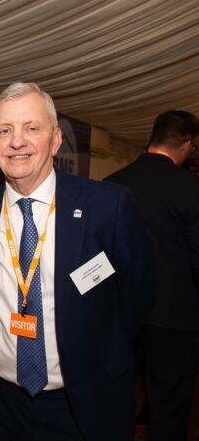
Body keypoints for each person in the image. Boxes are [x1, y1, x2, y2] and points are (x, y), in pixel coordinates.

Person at [0, 82, 155, 441]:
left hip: (86, 405)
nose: (17, 141)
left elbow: (137, 301)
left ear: (56, 139)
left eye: (32, 128)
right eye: (5, 131)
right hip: (5, 406)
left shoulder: (108, 207)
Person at [105, 110, 199, 441]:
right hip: (175, 318)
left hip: (121, 315)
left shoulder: (114, 184)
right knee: (170, 406)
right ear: (187, 144)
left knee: (112, 396)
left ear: (152, 136)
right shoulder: (191, 188)